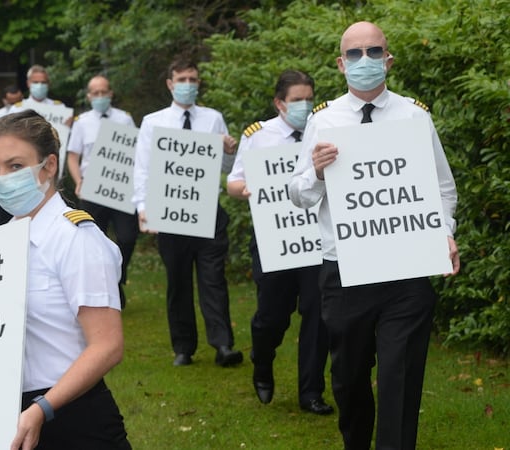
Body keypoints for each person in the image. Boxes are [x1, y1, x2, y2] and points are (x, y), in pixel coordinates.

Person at [0, 109, 131, 450]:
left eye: (15, 166)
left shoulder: (77, 238)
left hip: (74, 418)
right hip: (5, 413)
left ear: (48, 166)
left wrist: (42, 408)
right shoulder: (2, 241)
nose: (2, 178)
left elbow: (107, 345)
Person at [288, 21, 460, 449]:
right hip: (345, 273)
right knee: (348, 379)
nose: (364, 61)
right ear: (340, 65)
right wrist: (317, 172)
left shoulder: (414, 115)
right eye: (354, 54)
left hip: (406, 270)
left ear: (389, 59)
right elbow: (297, 194)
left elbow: (442, 188)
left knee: (400, 374)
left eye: (373, 51)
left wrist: (444, 232)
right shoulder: (323, 120)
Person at [227, 70, 333, 414]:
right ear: (279, 103)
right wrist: (244, 190)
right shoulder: (259, 135)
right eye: (296, 100)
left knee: (318, 312)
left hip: (317, 238)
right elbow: (234, 180)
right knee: (272, 314)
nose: (305, 106)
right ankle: (262, 360)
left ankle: (311, 392)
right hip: (275, 237)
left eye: (308, 98)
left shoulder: (326, 128)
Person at [132, 58, 243, 367]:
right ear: (170, 83)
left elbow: (226, 169)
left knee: (213, 279)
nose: (188, 85)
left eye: (193, 79)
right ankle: (183, 347)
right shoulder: (153, 122)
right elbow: (142, 168)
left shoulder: (213, 118)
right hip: (170, 213)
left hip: (208, 210)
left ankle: (223, 345)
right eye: (182, 79)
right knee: (178, 281)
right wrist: (143, 208)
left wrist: (230, 151)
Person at [67, 75, 138, 308]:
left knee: (127, 237)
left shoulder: (125, 119)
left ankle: (117, 277)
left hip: (121, 189)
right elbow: (73, 156)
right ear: (89, 96)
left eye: (103, 92)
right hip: (92, 190)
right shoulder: (81, 122)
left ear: (110, 93)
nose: (99, 96)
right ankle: (108, 285)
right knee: (94, 242)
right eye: (94, 93)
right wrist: (78, 180)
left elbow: (136, 152)